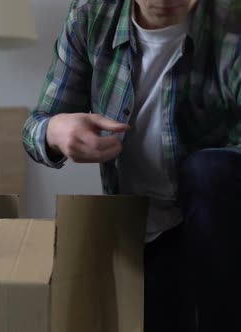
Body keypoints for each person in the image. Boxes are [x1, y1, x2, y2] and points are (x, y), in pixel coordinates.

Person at [23, 0, 241, 331]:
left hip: (221, 222)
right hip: (142, 229)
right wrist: (57, 130)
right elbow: (36, 126)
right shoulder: (91, 15)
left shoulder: (231, 18)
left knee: (208, 171)